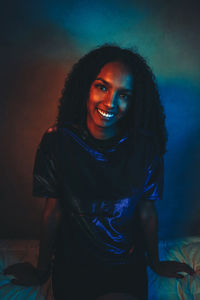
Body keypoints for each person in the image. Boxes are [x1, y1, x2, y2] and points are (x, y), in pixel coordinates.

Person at [4, 45, 195, 300]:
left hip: (124, 263)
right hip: (73, 263)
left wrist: (156, 263)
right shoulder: (57, 141)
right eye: (102, 87)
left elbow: (147, 212)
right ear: (86, 87)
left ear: (134, 101)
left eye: (124, 94)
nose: (110, 102)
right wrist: (41, 270)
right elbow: (53, 210)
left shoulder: (145, 148)